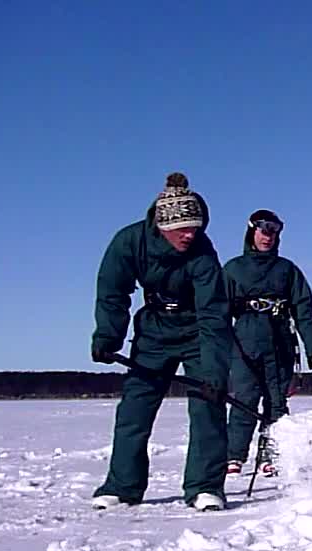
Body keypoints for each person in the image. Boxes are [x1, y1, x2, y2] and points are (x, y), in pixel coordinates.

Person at [90, 173, 232, 512]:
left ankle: (205, 487)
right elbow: (113, 291)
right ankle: (122, 486)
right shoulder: (129, 242)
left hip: (197, 329)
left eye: (195, 227)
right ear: (162, 225)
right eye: (183, 228)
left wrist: (213, 371)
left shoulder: (203, 254)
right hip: (154, 330)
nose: (190, 234)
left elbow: (214, 314)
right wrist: (108, 335)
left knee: (207, 407)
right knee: (134, 410)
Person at [224, 210, 312, 478]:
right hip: (244, 340)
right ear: (251, 233)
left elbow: (303, 308)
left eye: (273, 233)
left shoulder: (287, 270)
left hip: (279, 339)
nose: (268, 237)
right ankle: (235, 455)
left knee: (276, 401)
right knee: (245, 397)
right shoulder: (233, 269)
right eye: (263, 231)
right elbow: (217, 310)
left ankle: (270, 454)